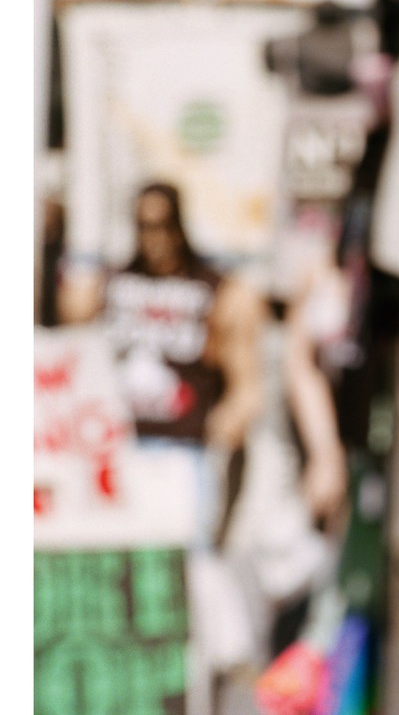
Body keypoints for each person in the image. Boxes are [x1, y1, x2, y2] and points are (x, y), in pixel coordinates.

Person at [60, 181, 267, 538]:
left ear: (178, 226)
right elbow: (69, 325)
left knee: (185, 554)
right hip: (118, 449)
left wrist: (228, 421)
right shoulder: (113, 282)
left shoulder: (214, 289)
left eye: (160, 226)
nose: (153, 238)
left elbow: (245, 380)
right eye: (143, 226)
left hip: (183, 449)